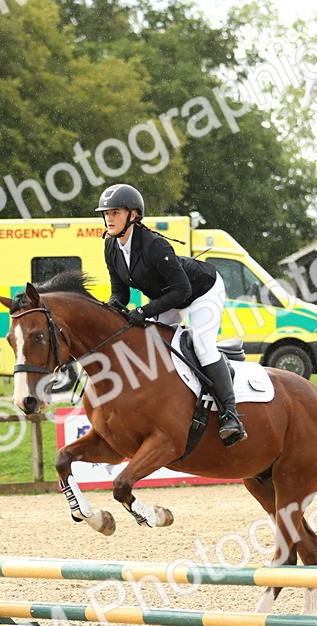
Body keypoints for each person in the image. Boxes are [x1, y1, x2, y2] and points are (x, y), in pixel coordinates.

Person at [96, 183, 246, 445]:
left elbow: (182, 289)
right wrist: (107, 311)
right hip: (170, 297)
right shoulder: (111, 247)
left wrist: (144, 311)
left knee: (201, 345)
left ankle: (230, 415)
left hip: (202, 290)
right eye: (106, 213)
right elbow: (120, 293)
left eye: (115, 212)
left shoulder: (154, 245)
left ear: (133, 215)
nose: (109, 218)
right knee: (151, 344)